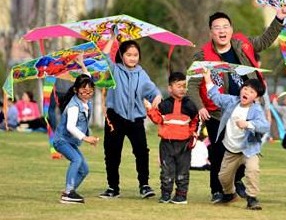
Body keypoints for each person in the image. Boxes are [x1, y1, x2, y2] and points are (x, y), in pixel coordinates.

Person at [187, 7, 286, 203]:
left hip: (245, 110)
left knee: (245, 147)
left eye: (225, 27)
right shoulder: (202, 56)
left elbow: (266, 40)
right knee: (217, 152)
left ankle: (238, 181)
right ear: (211, 32)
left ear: (231, 30)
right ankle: (218, 191)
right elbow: (192, 85)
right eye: (217, 28)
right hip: (217, 110)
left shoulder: (243, 45)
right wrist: (200, 107)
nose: (222, 31)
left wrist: (279, 18)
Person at [99, 38, 162, 199]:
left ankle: (144, 185)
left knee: (142, 152)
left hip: (136, 119)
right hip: (115, 117)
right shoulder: (114, 69)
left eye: (135, 55)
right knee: (112, 153)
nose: (133, 58)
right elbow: (104, 57)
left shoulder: (142, 73)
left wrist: (157, 97)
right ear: (121, 55)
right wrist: (112, 40)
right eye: (129, 54)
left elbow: (152, 90)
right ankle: (113, 187)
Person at [203, 69, 270, 210]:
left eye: (251, 92)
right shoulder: (231, 101)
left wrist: (248, 124)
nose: (246, 92)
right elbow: (216, 97)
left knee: (252, 170)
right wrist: (208, 80)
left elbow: (264, 126)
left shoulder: (256, 110)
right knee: (223, 177)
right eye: (245, 89)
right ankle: (230, 194)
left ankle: (252, 198)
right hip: (231, 150)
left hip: (249, 149)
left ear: (256, 97)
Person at [145, 71, 199, 204]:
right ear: (170, 88)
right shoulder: (164, 105)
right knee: (166, 170)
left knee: (183, 170)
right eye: (178, 85)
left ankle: (181, 196)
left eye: (184, 86)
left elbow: (195, 121)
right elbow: (157, 119)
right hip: (167, 144)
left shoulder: (190, 105)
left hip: (184, 144)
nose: (182, 89)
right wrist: (149, 109)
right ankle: (165, 194)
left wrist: (191, 134)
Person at [52, 57, 100, 204]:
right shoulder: (74, 105)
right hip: (61, 141)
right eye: (84, 91)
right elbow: (70, 127)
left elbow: (88, 79)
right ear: (76, 90)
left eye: (90, 91)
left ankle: (69, 191)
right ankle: (68, 192)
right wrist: (86, 138)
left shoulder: (85, 99)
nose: (87, 94)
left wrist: (82, 65)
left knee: (84, 170)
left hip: (70, 142)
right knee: (77, 160)